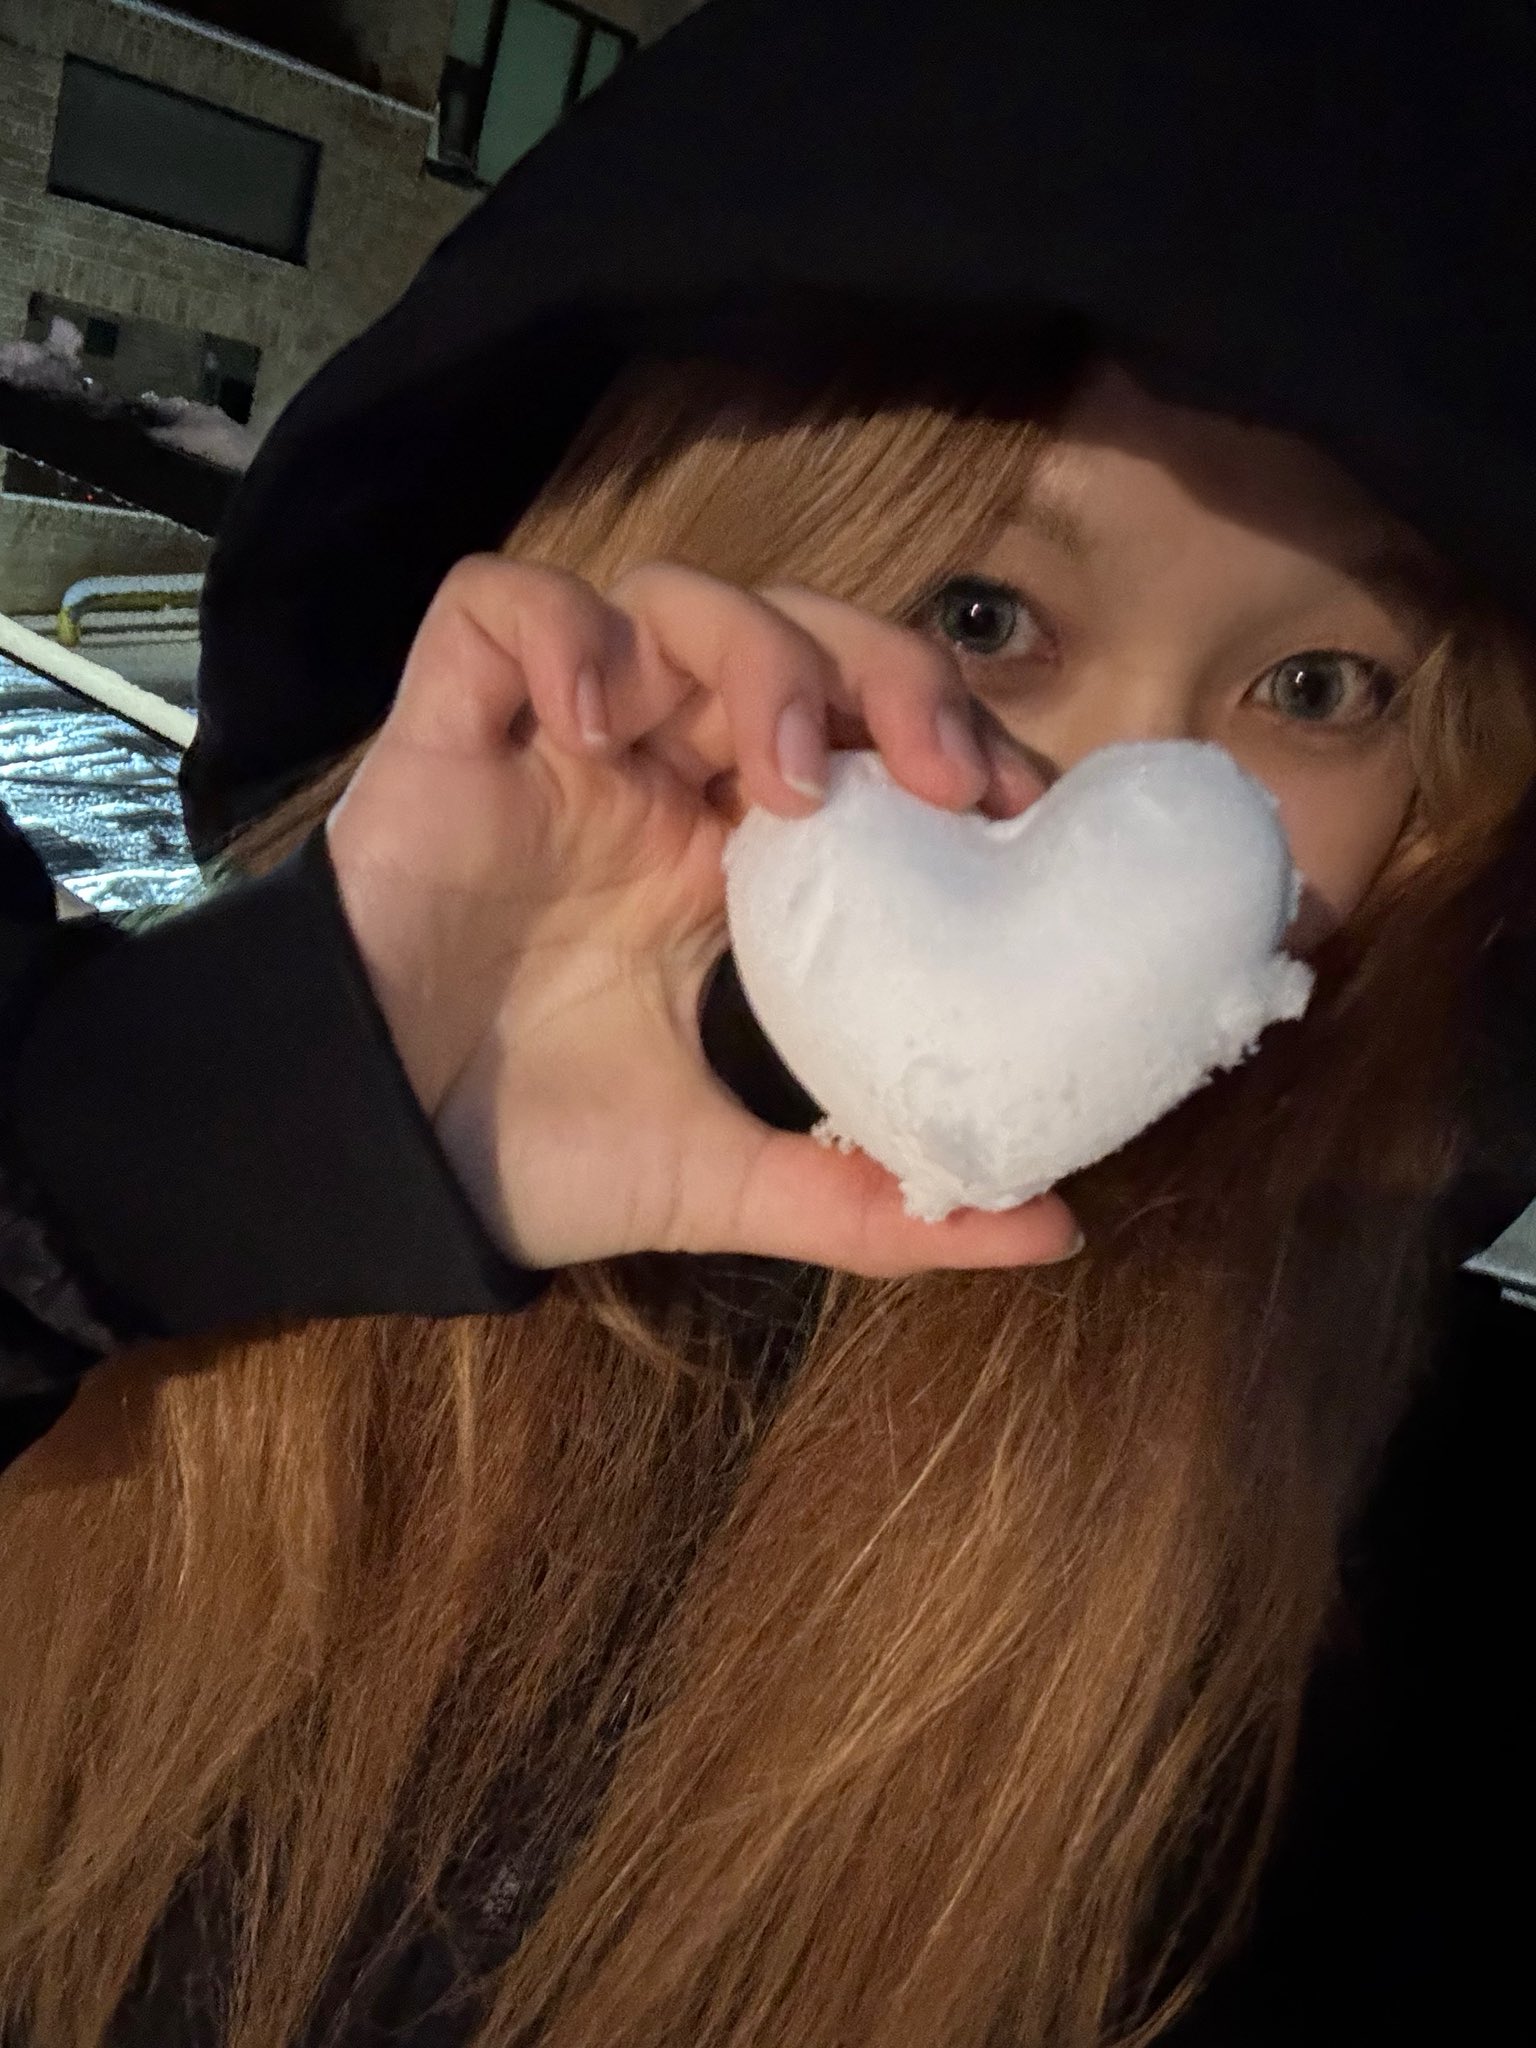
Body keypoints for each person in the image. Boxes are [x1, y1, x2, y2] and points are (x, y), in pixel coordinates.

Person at [2, 0, 1534, 2043]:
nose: (1123, 792)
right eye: (982, 615)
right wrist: (217, 1142)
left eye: (1323, 688)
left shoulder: (1412, 1568)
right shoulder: (159, 1244)